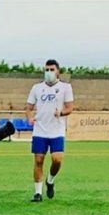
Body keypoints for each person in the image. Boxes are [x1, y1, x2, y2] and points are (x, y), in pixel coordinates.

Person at [25, 59, 74, 202]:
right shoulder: (36, 88)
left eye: (52, 70)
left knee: (57, 160)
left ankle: (50, 181)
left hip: (57, 131)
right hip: (40, 130)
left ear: (58, 71)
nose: (49, 72)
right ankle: (38, 193)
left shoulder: (65, 87)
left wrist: (62, 112)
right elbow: (28, 108)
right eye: (47, 70)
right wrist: (30, 118)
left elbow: (70, 107)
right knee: (39, 160)